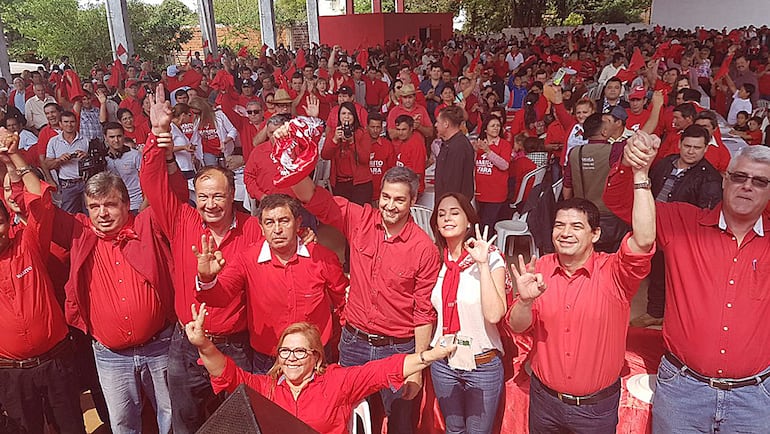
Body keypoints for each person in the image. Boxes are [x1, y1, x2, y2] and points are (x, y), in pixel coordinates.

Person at [604, 137, 770, 434]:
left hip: (754, 397)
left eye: (760, 182)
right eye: (739, 177)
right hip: (682, 391)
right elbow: (621, 201)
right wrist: (631, 165)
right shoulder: (682, 222)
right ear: (724, 180)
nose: (747, 186)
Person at [508, 130, 656, 432]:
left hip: (594, 410)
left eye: (577, 226)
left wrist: (640, 175)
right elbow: (517, 327)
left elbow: (643, 241)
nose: (565, 233)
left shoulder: (615, 273)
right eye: (559, 225)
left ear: (595, 234)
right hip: (544, 402)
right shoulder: (540, 269)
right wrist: (524, 300)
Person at [290, 166, 440, 434]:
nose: (390, 206)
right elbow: (311, 196)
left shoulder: (424, 249)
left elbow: (423, 310)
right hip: (354, 343)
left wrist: (417, 366)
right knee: (349, 418)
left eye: (399, 199)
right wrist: (292, 161)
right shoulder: (359, 220)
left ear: (413, 200)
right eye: (386, 197)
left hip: (398, 348)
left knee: (400, 422)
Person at [186, 308, 455, 434]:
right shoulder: (266, 388)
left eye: (300, 352)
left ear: (315, 357)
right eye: (285, 351)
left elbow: (385, 369)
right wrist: (203, 344)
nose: (291, 359)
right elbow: (228, 374)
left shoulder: (337, 381)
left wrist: (430, 355)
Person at [53, 171, 176, 434]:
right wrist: (15, 166)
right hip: (111, 355)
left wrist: (163, 156)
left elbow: (169, 196)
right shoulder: (79, 232)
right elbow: (41, 211)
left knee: (171, 416)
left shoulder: (146, 224)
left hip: (159, 346)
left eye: (109, 204)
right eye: (94, 206)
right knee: (122, 423)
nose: (102, 214)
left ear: (127, 204)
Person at [195, 193, 348, 371]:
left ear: (298, 223)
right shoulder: (247, 259)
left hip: (314, 357)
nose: (277, 229)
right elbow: (220, 297)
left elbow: (343, 305)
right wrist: (207, 278)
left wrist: (341, 350)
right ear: (261, 227)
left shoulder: (323, 258)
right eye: (269, 222)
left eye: (284, 221)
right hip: (267, 361)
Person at [0, 132, 86, 434]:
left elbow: (40, 203)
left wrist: (14, 157)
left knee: (71, 428)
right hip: (11, 375)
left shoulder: (28, 243)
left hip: (56, 363)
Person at [429, 194, 508, 434]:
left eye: (455, 213)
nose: (447, 218)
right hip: (444, 363)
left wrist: (482, 264)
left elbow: (495, 315)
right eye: (441, 214)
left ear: (469, 221)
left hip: (482, 365)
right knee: (453, 430)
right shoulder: (435, 261)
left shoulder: (490, 257)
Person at [630, 125, 722, 328]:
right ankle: (656, 311)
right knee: (655, 270)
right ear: (679, 144)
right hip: (653, 224)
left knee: (673, 276)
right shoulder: (665, 163)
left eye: (697, 148)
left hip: (681, 234)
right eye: (687, 146)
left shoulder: (710, 178)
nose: (691, 151)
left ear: (706, 148)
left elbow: (707, 215)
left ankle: (665, 314)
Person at [322, 102, 373, 204]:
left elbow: (364, 159)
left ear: (354, 116)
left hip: (360, 184)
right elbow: (325, 155)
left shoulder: (362, 133)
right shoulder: (333, 133)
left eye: (350, 114)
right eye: (343, 113)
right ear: (339, 116)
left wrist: (352, 142)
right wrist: (335, 140)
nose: (346, 117)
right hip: (339, 183)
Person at [44, 110, 90, 214]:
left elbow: (94, 163)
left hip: (85, 182)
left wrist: (86, 157)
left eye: (72, 122)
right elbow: (47, 165)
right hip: (67, 185)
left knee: (89, 214)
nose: (69, 125)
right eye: (66, 122)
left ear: (76, 123)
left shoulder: (85, 140)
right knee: (68, 215)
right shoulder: (54, 141)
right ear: (60, 124)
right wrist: (59, 160)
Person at [474, 115, 512, 230]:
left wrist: (488, 151)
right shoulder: (478, 144)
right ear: (485, 129)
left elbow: (504, 165)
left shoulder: (504, 145)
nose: (496, 128)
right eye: (492, 125)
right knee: (479, 222)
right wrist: (474, 151)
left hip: (496, 192)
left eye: (498, 126)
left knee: (487, 224)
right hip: (480, 192)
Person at [435, 105, 475, 200]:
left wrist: (448, 204)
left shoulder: (459, 147)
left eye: (438, 122)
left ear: (446, 124)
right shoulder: (449, 143)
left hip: (453, 203)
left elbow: (452, 181)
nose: (435, 125)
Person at [103, 122, 144, 214]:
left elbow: (147, 181)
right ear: (105, 138)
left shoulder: (135, 155)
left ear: (124, 136)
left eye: (119, 136)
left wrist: (144, 205)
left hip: (136, 204)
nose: (116, 140)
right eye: (112, 137)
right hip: (114, 205)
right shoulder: (102, 158)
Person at [364, 113, 396, 201]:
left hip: (382, 194)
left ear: (382, 128)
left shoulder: (388, 145)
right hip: (362, 192)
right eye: (372, 127)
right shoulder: (360, 144)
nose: (375, 130)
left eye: (378, 127)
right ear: (367, 127)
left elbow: (391, 171)